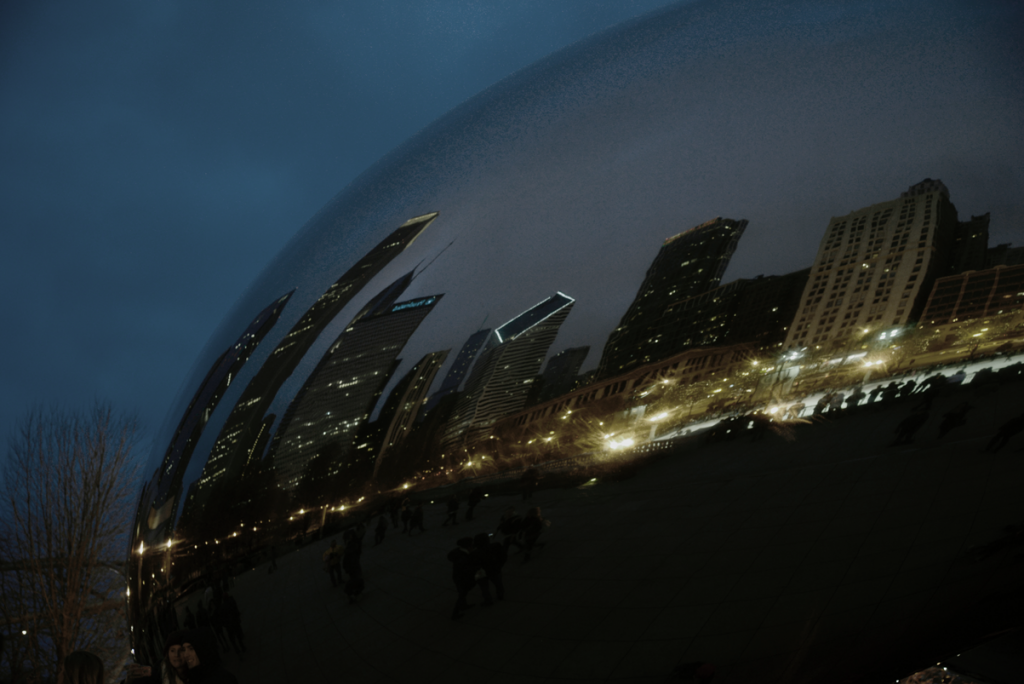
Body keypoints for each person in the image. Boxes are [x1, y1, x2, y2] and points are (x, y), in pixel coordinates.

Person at [447, 537, 479, 619]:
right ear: (468, 546)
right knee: (462, 595)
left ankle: (464, 606)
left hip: (458, 577)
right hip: (462, 579)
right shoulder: (463, 558)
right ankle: (455, 613)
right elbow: (467, 569)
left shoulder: (458, 552)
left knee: (462, 594)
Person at [474, 532, 507, 602]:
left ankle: (488, 600)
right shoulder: (495, 546)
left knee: (484, 588)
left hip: (481, 573)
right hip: (495, 570)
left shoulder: (475, 553)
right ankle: (500, 596)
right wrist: (499, 566)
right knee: (498, 584)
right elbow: (503, 557)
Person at [342, 529, 364, 604]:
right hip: (353, 565)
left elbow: (349, 555)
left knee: (355, 579)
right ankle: (352, 593)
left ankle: (353, 593)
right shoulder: (354, 544)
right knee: (356, 579)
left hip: (352, 565)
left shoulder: (352, 544)